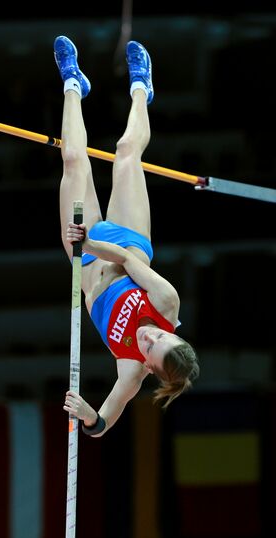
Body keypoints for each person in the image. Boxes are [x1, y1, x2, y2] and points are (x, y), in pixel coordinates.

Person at [54, 35, 199, 438]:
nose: (152, 335)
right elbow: (131, 264)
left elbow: (103, 422)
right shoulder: (167, 303)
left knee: (72, 160)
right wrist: (93, 242)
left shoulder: (131, 371)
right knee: (125, 154)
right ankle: (141, 88)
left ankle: (71, 83)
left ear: (150, 367)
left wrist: (88, 416)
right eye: (162, 335)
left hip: (84, 265)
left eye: (152, 345)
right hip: (124, 240)